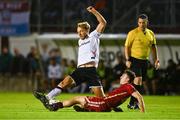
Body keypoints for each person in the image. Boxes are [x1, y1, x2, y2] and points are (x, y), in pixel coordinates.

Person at [34, 6, 107, 104]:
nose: (79, 33)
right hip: (80, 70)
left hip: (90, 70)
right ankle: (47, 97)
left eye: (81, 31)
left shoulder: (94, 36)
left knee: (102, 100)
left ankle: (111, 105)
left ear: (87, 30)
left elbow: (103, 23)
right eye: (78, 32)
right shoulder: (79, 41)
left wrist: (94, 11)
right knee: (64, 82)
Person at [35, 70, 145, 112]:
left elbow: (139, 97)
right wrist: (115, 107)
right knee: (83, 100)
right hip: (105, 104)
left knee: (76, 99)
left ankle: (55, 106)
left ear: (128, 79)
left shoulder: (129, 87)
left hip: (102, 104)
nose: (121, 76)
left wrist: (142, 111)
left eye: (123, 76)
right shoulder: (125, 89)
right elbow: (115, 99)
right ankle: (86, 110)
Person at [124, 14, 160, 109]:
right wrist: (127, 59)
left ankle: (132, 103)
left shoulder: (151, 33)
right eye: (139, 22)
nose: (141, 24)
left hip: (145, 61)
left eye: (143, 23)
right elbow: (127, 46)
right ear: (138, 23)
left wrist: (156, 59)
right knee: (138, 80)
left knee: (139, 83)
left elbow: (153, 47)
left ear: (147, 23)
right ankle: (132, 103)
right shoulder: (133, 33)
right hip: (134, 59)